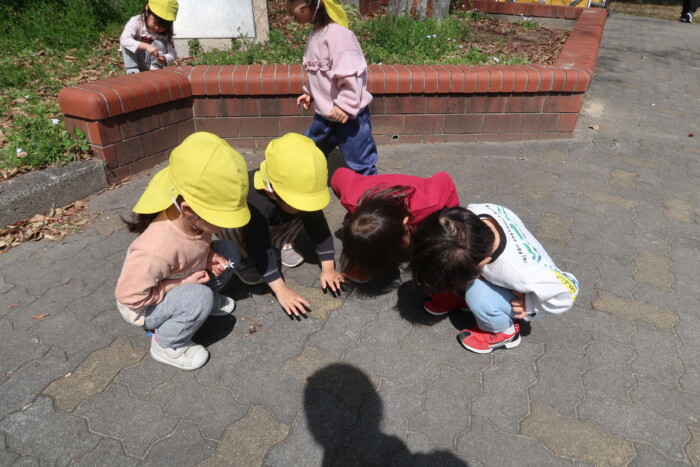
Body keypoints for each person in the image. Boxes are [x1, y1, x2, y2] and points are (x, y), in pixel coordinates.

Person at [115, 132, 250, 370]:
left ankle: (199, 303)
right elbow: (130, 298)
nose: (226, 225)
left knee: (229, 251)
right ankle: (167, 343)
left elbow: (192, 247)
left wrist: (209, 255)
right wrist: (182, 284)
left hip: (182, 276)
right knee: (198, 297)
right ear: (188, 210)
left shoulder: (192, 220)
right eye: (221, 218)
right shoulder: (155, 249)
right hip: (145, 306)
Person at [410, 205, 579, 354]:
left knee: (477, 295)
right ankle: (459, 297)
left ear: (483, 263)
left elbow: (569, 289)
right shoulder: (475, 213)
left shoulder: (521, 274)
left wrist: (531, 304)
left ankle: (504, 332)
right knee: (455, 267)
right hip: (499, 268)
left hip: (517, 289)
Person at [220, 133, 344, 317]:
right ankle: (243, 260)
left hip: (273, 220)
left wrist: (328, 267)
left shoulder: (299, 188)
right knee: (233, 228)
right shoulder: (255, 201)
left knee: (303, 215)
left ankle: (281, 242)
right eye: (298, 202)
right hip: (246, 224)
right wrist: (280, 289)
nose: (305, 207)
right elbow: (259, 245)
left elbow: (318, 224)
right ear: (271, 192)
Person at [287, 0, 379, 176]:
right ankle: (301, 179)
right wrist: (310, 92)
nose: (291, 14)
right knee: (311, 150)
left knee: (360, 161)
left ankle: (371, 189)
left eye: (293, 8)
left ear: (312, 4)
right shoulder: (317, 33)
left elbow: (350, 74)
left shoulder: (338, 35)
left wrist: (345, 105)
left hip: (349, 118)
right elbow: (321, 74)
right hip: (325, 116)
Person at [330, 167, 459, 283]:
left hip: (419, 198)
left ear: (405, 223)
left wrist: (450, 221)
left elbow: (444, 179)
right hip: (370, 200)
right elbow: (338, 175)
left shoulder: (429, 203)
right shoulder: (350, 198)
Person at [120, 0, 178, 74]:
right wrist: (146, 46)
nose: (157, 27)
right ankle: (132, 70)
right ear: (147, 10)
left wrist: (165, 58)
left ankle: (155, 69)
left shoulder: (165, 33)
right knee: (128, 43)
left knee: (159, 42)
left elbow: (172, 53)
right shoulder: (136, 21)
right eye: (155, 22)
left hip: (152, 63)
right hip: (135, 59)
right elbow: (124, 39)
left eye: (163, 26)